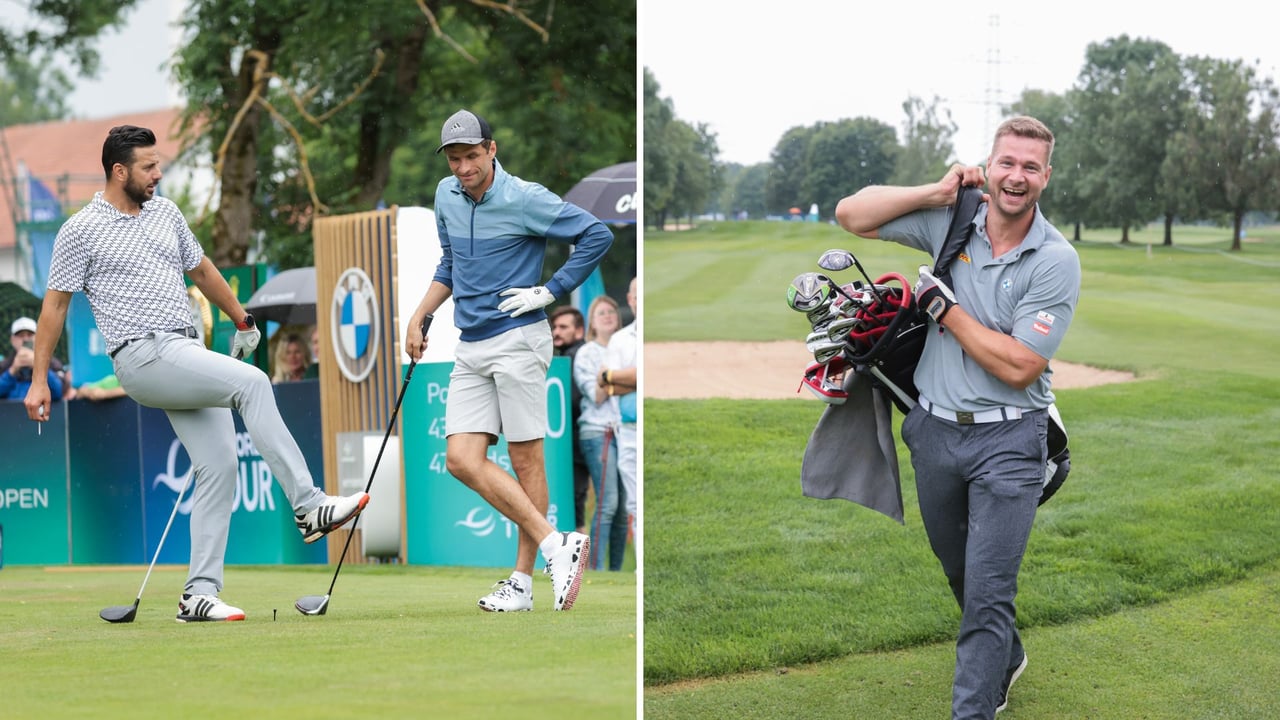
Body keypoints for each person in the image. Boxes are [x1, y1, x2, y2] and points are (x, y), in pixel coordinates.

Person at [22, 125, 370, 623]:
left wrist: (242, 318)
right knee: (252, 383)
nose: (158, 174)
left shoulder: (165, 211)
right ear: (119, 172)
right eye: (148, 166)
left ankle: (199, 593)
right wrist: (39, 379)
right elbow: (54, 307)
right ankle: (309, 505)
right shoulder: (80, 230)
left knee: (220, 466)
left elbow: (203, 270)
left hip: (183, 350)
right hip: (141, 357)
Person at [833, 115, 1081, 719]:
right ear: (988, 166)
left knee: (990, 593)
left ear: (1045, 177)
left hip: (1011, 439)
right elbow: (851, 214)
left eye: (1029, 167)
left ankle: (973, 706)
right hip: (933, 432)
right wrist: (935, 192)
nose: (1015, 176)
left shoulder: (1055, 258)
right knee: (961, 573)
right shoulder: (954, 220)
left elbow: (1021, 365)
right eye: (1006, 163)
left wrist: (943, 309)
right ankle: (1006, 656)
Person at [405, 109, 613, 612]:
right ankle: (554, 542)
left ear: (492, 149)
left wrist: (551, 290)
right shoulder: (444, 195)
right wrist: (419, 315)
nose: (463, 168)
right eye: (454, 159)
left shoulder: (526, 198)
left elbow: (597, 235)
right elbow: (449, 264)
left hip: (519, 337)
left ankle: (521, 582)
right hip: (470, 342)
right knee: (461, 459)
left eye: (472, 156)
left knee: (525, 459)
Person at [573, 294, 627, 571]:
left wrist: (611, 379)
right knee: (608, 502)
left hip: (622, 428)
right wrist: (616, 379)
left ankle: (616, 571)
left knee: (623, 507)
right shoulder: (587, 352)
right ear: (592, 323)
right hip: (598, 431)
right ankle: (595, 568)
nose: (608, 316)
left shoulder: (624, 346)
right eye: (601, 313)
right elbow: (596, 395)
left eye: (612, 311)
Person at [596, 277, 637, 551]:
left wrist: (618, 377)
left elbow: (615, 378)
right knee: (632, 502)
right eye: (636, 295)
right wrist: (623, 378)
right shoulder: (621, 339)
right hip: (628, 427)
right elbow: (606, 385)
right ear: (630, 299)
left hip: (635, 421)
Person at [549, 304, 590, 533]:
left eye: (563, 327)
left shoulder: (576, 356)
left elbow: (574, 401)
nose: (556, 331)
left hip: (578, 440)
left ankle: (583, 557)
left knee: (576, 500)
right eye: (555, 327)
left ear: (579, 331)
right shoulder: (565, 357)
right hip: (575, 441)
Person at [0, 317, 64, 401]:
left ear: (38, 338)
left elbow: (59, 392)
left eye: (30, 335)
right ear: (12, 340)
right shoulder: (4, 365)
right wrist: (12, 370)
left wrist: (39, 367)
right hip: (11, 413)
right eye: (20, 335)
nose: (25, 339)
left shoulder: (52, 363)